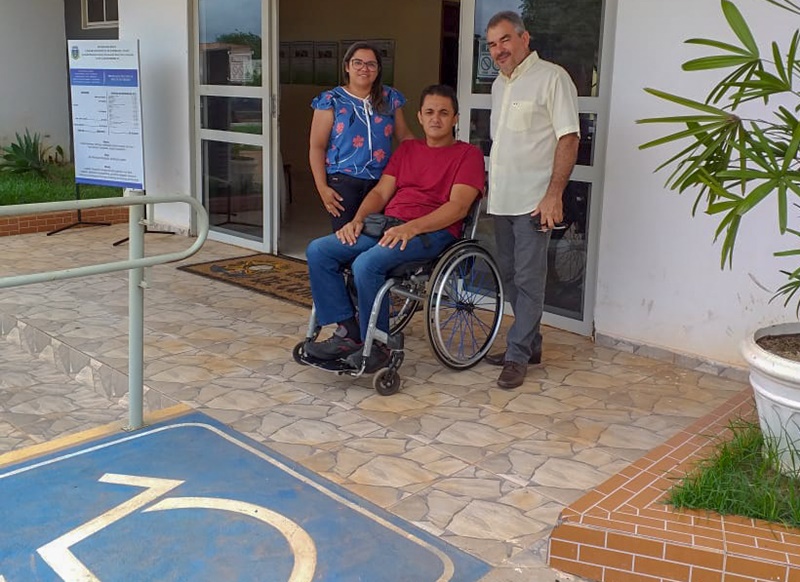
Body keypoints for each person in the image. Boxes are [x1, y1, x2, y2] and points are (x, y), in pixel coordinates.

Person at [303, 84, 485, 367]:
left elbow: (458, 207)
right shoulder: (408, 150)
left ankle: (378, 346)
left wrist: (412, 228)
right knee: (319, 251)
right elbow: (380, 193)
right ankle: (349, 333)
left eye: (444, 113)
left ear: (455, 118)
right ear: (420, 117)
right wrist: (358, 220)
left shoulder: (468, 155)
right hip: (388, 226)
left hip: (431, 233)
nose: (436, 119)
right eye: (429, 112)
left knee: (366, 264)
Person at [484, 11, 580, 389]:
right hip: (502, 200)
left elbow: (568, 138)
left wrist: (554, 194)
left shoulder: (552, 78)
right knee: (509, 276)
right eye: (492, 44)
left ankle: (517, 354)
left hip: (533, 203)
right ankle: (532, 342)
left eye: (505, 40)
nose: (498, 50)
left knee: (528, 279)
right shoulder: (498, 85)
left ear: (525, 38)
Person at [309, 42, 414, 232]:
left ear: (378, 69)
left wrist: (431, 155)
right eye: (358, 63)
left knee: (377, 240)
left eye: (371, 64)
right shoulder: (331, 100)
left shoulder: (390, 98)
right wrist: (322, 188)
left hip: (383, 182)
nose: (364, 68)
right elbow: (317, 146)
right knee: (346, 239)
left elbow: (404, 135)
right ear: (347, 66)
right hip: (343, 182)